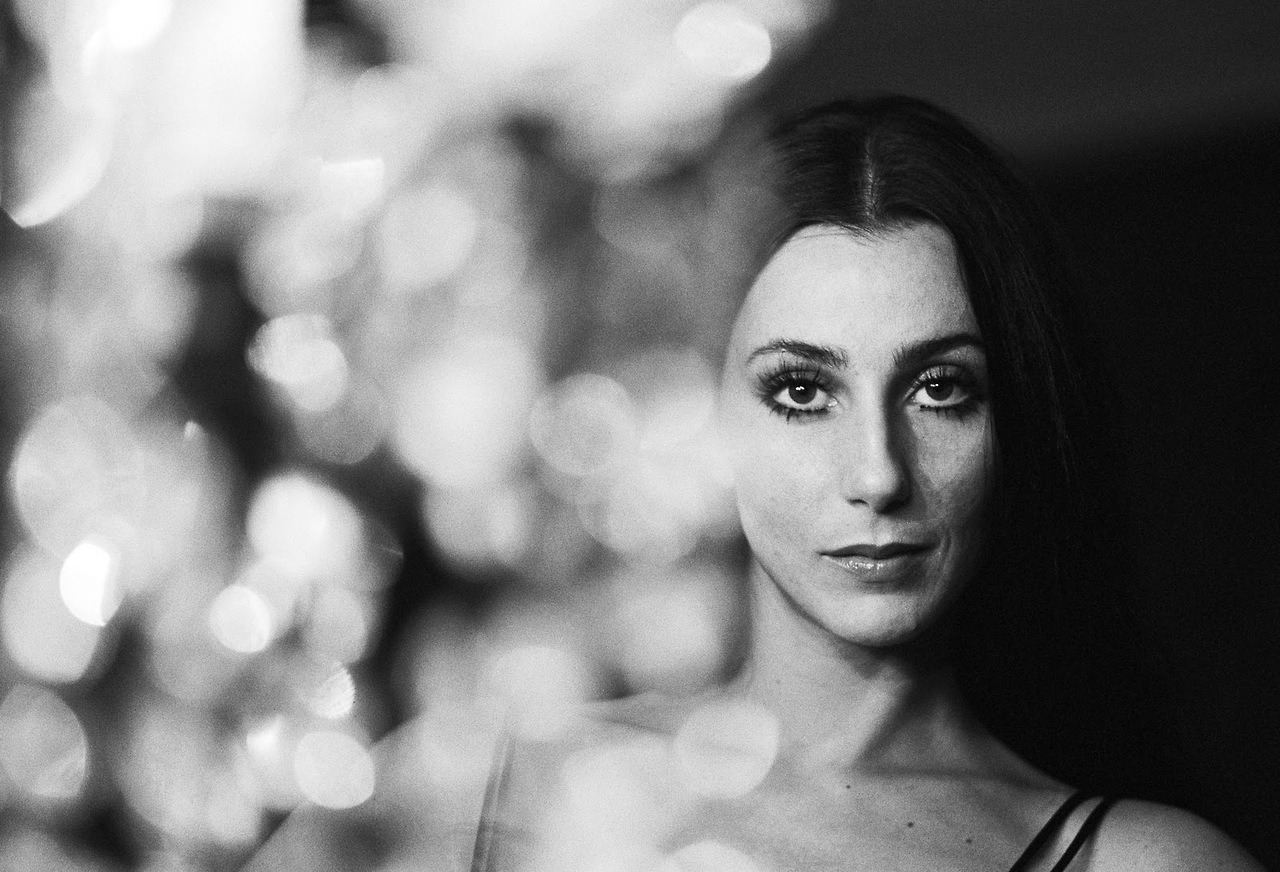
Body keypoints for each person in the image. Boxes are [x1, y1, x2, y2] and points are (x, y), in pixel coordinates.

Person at [246, 97, 1265, 872]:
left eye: (939, 388)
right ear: (693, 410)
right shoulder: (481, 785)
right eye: (800, 391)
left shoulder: (1143, 863)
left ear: (1014, 420)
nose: (878, 472)